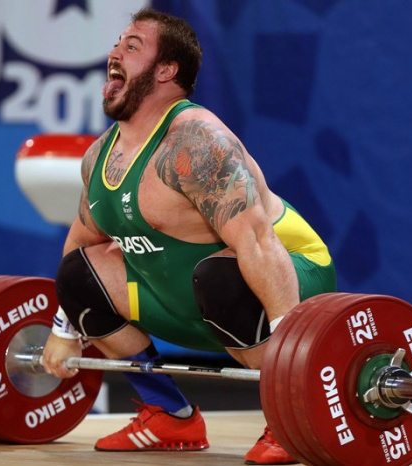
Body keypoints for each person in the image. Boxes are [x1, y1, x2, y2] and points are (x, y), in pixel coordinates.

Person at [41, 7, 336, 465]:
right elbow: (80, 246)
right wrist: (65, 330)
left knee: (219, 273)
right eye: (118, 43)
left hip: (287, 280)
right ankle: (169, 414)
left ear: (166, 70)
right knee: (78, 274)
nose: (114, 52)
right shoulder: (100, 156)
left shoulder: (197, 143)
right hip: (188, 300)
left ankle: (288, 417)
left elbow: (258, 243)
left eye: (132, 46)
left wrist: (292, 362)